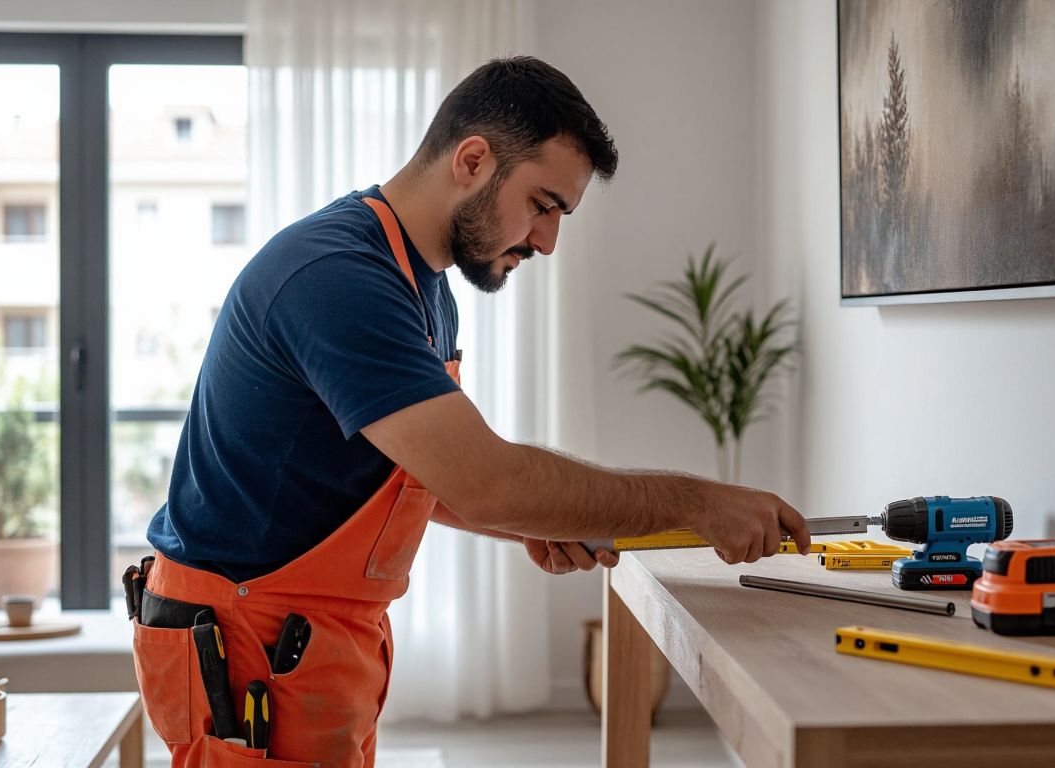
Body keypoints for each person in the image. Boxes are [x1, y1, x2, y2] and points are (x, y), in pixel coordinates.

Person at [129, 56, 810, 767]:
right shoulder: (337, 279)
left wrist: (525, 524)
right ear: (474, 160)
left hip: (313, 639)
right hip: (247, 637)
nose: (547, 240)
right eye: (543, 204)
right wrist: (696, 502)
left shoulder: (427, 292)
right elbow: (488, 479)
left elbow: (425, 470)